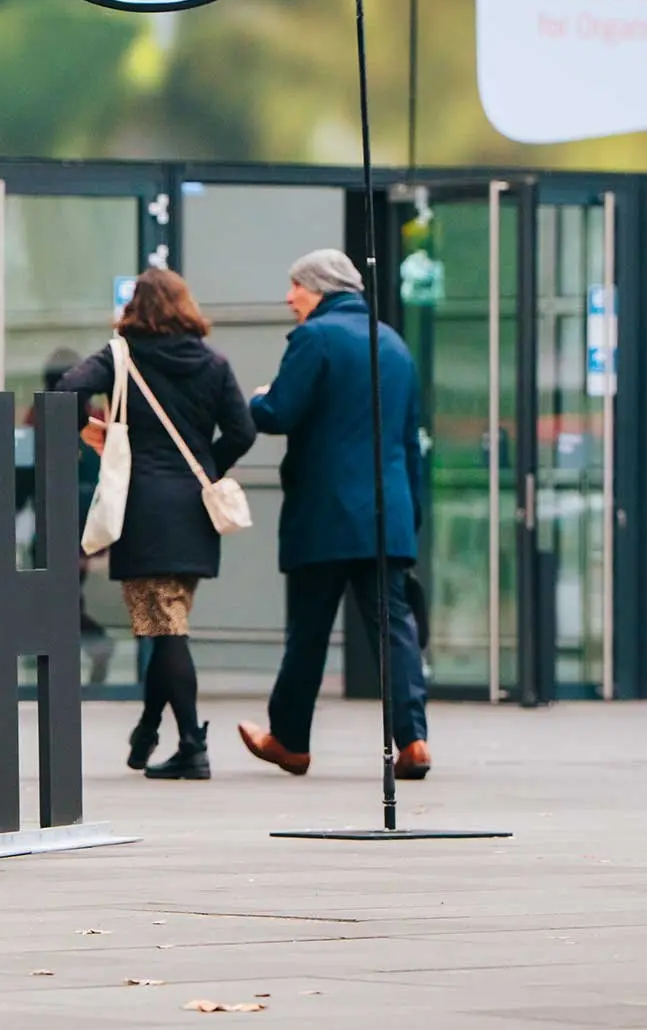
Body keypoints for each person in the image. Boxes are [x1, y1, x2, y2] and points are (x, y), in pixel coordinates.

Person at [238, 249, 432, 781]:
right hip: (385, 514)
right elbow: (409, 441)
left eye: (295, 286)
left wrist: (258, 398)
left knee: (309, 631)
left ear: (318, 288)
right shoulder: (393, 343)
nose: (288, 297)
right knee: (394, 628)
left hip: (324, 514)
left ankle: (290, 741)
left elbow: (278, 413)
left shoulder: (314, 338)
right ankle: (413, 740)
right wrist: (410, 512)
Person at [59, 269, 256, 781]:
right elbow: (242, 429)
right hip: (194, 510)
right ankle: (148, 729)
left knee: (165, 631)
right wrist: (206, 468)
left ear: (137, 309)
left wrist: (89, 429)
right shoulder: (213, 363)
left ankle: (191, 744)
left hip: (143, 508)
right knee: (165, 625)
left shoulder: (122, 356)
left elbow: (68, 389)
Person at [36, 349, 114, 685]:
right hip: (64, 530)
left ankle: (88, 651)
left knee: (58, 600)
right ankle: (66, 661)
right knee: (58, 600)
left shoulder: (85, 427)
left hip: (64, 530)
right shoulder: (84, 424)